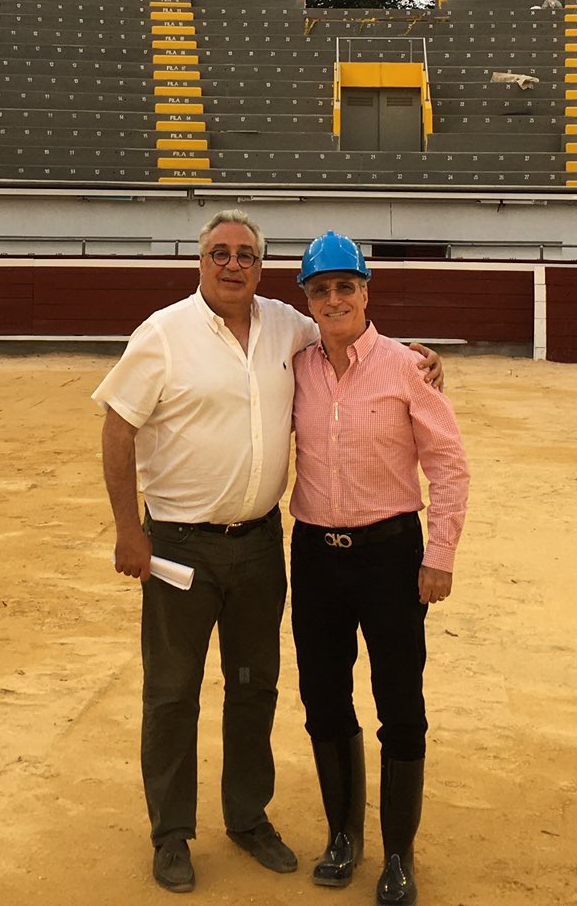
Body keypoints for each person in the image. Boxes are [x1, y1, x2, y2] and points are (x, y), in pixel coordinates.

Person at [94, 210, 442, 894]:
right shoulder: (163, 333)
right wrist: (128, 530)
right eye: (220, 253)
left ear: (261, 267)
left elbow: (351, 333)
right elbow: (117, 426)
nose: (233, 264)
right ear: (201, 262)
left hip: (259, 544)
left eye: (246, 255)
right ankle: (172, 833)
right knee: (172, 693)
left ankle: (247, 817)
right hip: (179, 545)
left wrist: (417, 357)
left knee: (254, 687)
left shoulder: (289, 326)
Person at [289, 231, 470, 906]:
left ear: (365, 292)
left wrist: (439, 556)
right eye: (320, 289)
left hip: (391, 555)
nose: (333, 298)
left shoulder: (406, 366)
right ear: (307, 300)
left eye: (345, 286)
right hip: (314, 555)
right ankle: (343, 837)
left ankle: (398, 853)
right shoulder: (294, 366)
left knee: (400, 703)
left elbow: (448, 465)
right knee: (323, 697)